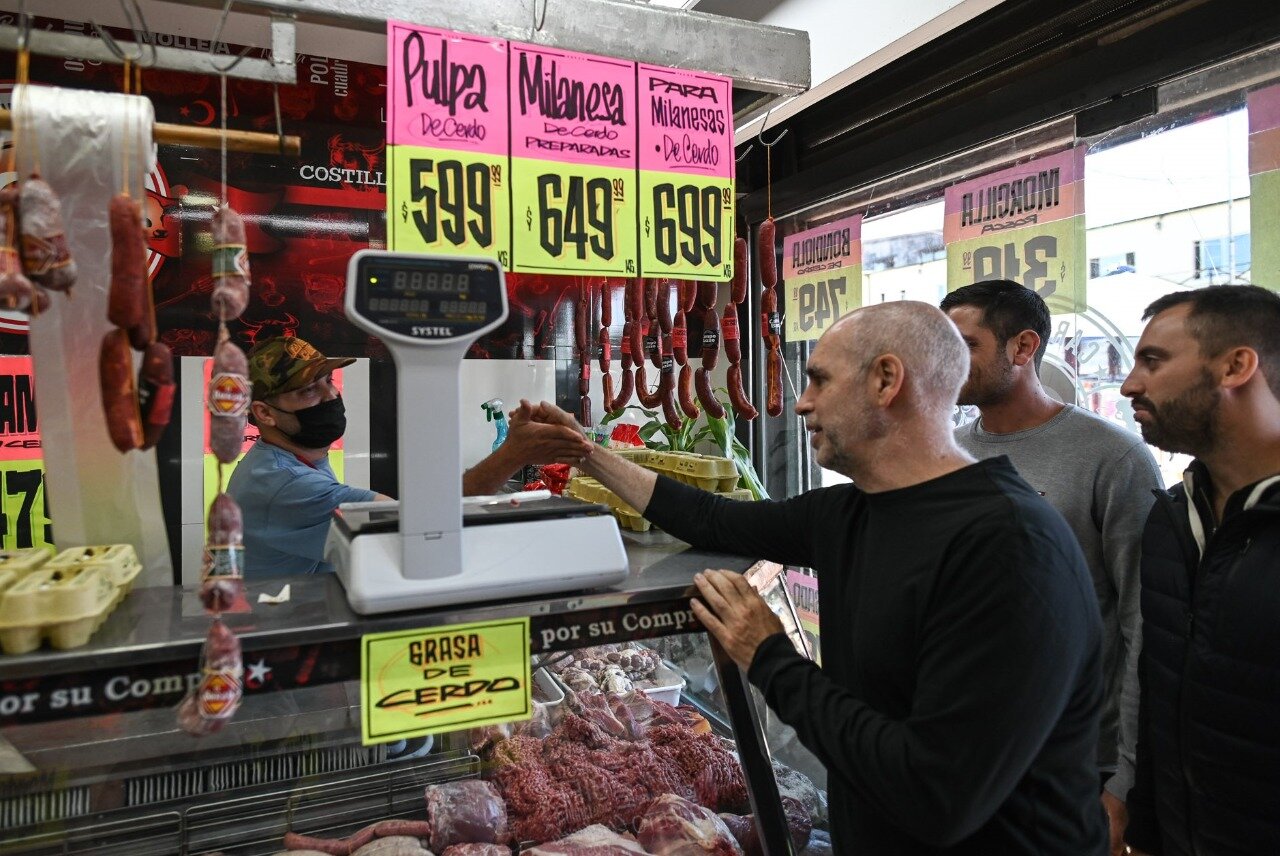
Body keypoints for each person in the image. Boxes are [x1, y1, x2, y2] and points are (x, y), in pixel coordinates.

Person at [528, 301, 1107, 854]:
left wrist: (769, 655)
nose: (801, 404)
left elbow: (938, 794)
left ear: (886, 380)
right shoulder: (852, 511)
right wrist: (586, 453)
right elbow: (710, 519)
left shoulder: (1008, 544)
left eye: (819, 380)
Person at [940, 280, 1162, 855]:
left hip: (1073, 760)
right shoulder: (944, 451)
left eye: (964, 344)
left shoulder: (1112, 457)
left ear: (1022, 347)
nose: (946, 361)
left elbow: (1146, 622)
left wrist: (1126, 779)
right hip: (967, 753)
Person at [1118, 285, 1280, 856]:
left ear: (1236, 365)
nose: (1129, 384)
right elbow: (1163, 689)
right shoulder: (1170, 517)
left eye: (1153, 361)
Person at [226, 335, 593, 577]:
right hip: (283, 639)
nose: (329, 397)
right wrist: (514, 453)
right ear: (264, 413)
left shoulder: (286, 458)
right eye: (308, 391)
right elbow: (417, 525)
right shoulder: (281, 483)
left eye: (328, 383)